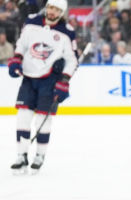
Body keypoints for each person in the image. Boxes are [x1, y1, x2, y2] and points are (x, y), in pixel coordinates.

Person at [7, 0, 77, 174]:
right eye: (51, 8)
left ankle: (39, 155)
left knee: (42, 120)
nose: (52, 12)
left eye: (57, 10)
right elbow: (22, 44)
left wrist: (64, 80)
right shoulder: (31, 22)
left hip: (49, 80)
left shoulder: (66, 32)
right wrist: (16, 59)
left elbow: (72, 60)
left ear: (62, 13)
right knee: (23, 116)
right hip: (29, 77)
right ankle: (21, 155)